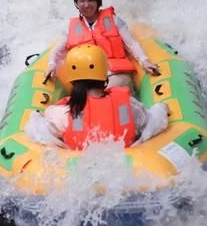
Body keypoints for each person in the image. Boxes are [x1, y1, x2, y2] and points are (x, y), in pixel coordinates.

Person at [26, 45, 169, 149]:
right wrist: (162, 107)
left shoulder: (64, 113)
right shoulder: (129, 106)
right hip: (125, 166)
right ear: (105, 74)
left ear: (71, 79)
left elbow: (38, 131)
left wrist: (35, 115)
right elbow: (155, 121)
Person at [45, 0, 160, 87]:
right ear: (77, 3)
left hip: (115, 74)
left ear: (98, 1)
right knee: (87, 99)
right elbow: (58, 50)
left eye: (91, 0)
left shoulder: (114, 21)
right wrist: (52, 65)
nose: (86, 5)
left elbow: (131, 44)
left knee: (107, 94)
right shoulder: (70, 27)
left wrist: (144, 61)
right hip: (87, 77)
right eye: (82, 1)